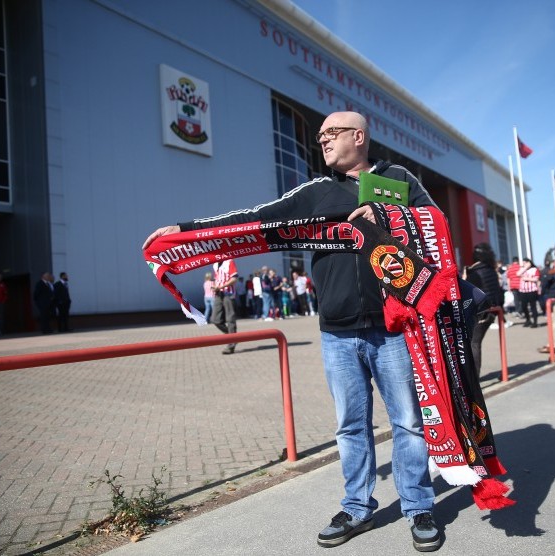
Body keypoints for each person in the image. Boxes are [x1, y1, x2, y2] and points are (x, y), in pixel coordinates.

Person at [142, 111, 441, 551]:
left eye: (330, 134)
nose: (322, 141)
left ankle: (418, 507)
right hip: (337, 334)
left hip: (393, 327)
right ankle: (357, 507)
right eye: (319, 136)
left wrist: (387, 217)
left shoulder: (399, 180)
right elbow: (256, 218)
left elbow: (434, 226)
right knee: (350, 426)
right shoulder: (316, 191)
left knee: (409, 422)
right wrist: (187, 231)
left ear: (358, 137)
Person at [463, 243, 503, 381]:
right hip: (491, 311)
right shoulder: (491, 270)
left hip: (480, 313)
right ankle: (474, 376)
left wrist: (464, 277)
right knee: (475, 343)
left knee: (474, 343)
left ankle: (474, 377)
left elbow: (467, 293)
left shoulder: (474, 272)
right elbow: (498, 292)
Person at [211, 258, 239, 354]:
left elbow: (234, 278)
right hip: (219, 293)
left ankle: (231, 344)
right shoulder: (215, 264)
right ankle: (233, 336)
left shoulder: (229, 262)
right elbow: (216, 278)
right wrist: (215, 286)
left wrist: (222, 286)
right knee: (215, 319)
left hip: (228, 293)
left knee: (230, 319)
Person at [517, 257, 540, 327]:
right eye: (523, 263)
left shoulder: (534, 269)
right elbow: (518, 274)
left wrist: (527, 279)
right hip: (523, 291)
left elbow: (536, 279)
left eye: (525, 263)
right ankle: (528, 320)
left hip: (532, 290)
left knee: (533, 306)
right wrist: (525, 268)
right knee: (524, 306)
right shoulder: (522, 269)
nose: (524, 264)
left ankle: (535, 322)